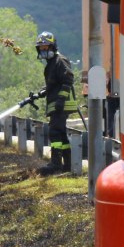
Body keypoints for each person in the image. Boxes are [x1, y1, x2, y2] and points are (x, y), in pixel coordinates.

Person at [36, 31, 77, 175]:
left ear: (52, 46)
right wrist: (43, 91)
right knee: (61, 134)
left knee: (54, 132)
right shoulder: (51, 63)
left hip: (61, 104)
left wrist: (60, 100)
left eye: (45, 47)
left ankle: (56, 164)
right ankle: (67, 165)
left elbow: (68, 80)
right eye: (41, 48)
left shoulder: (60, 61)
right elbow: (54, 83)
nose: (43, 50)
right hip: (57, 104)